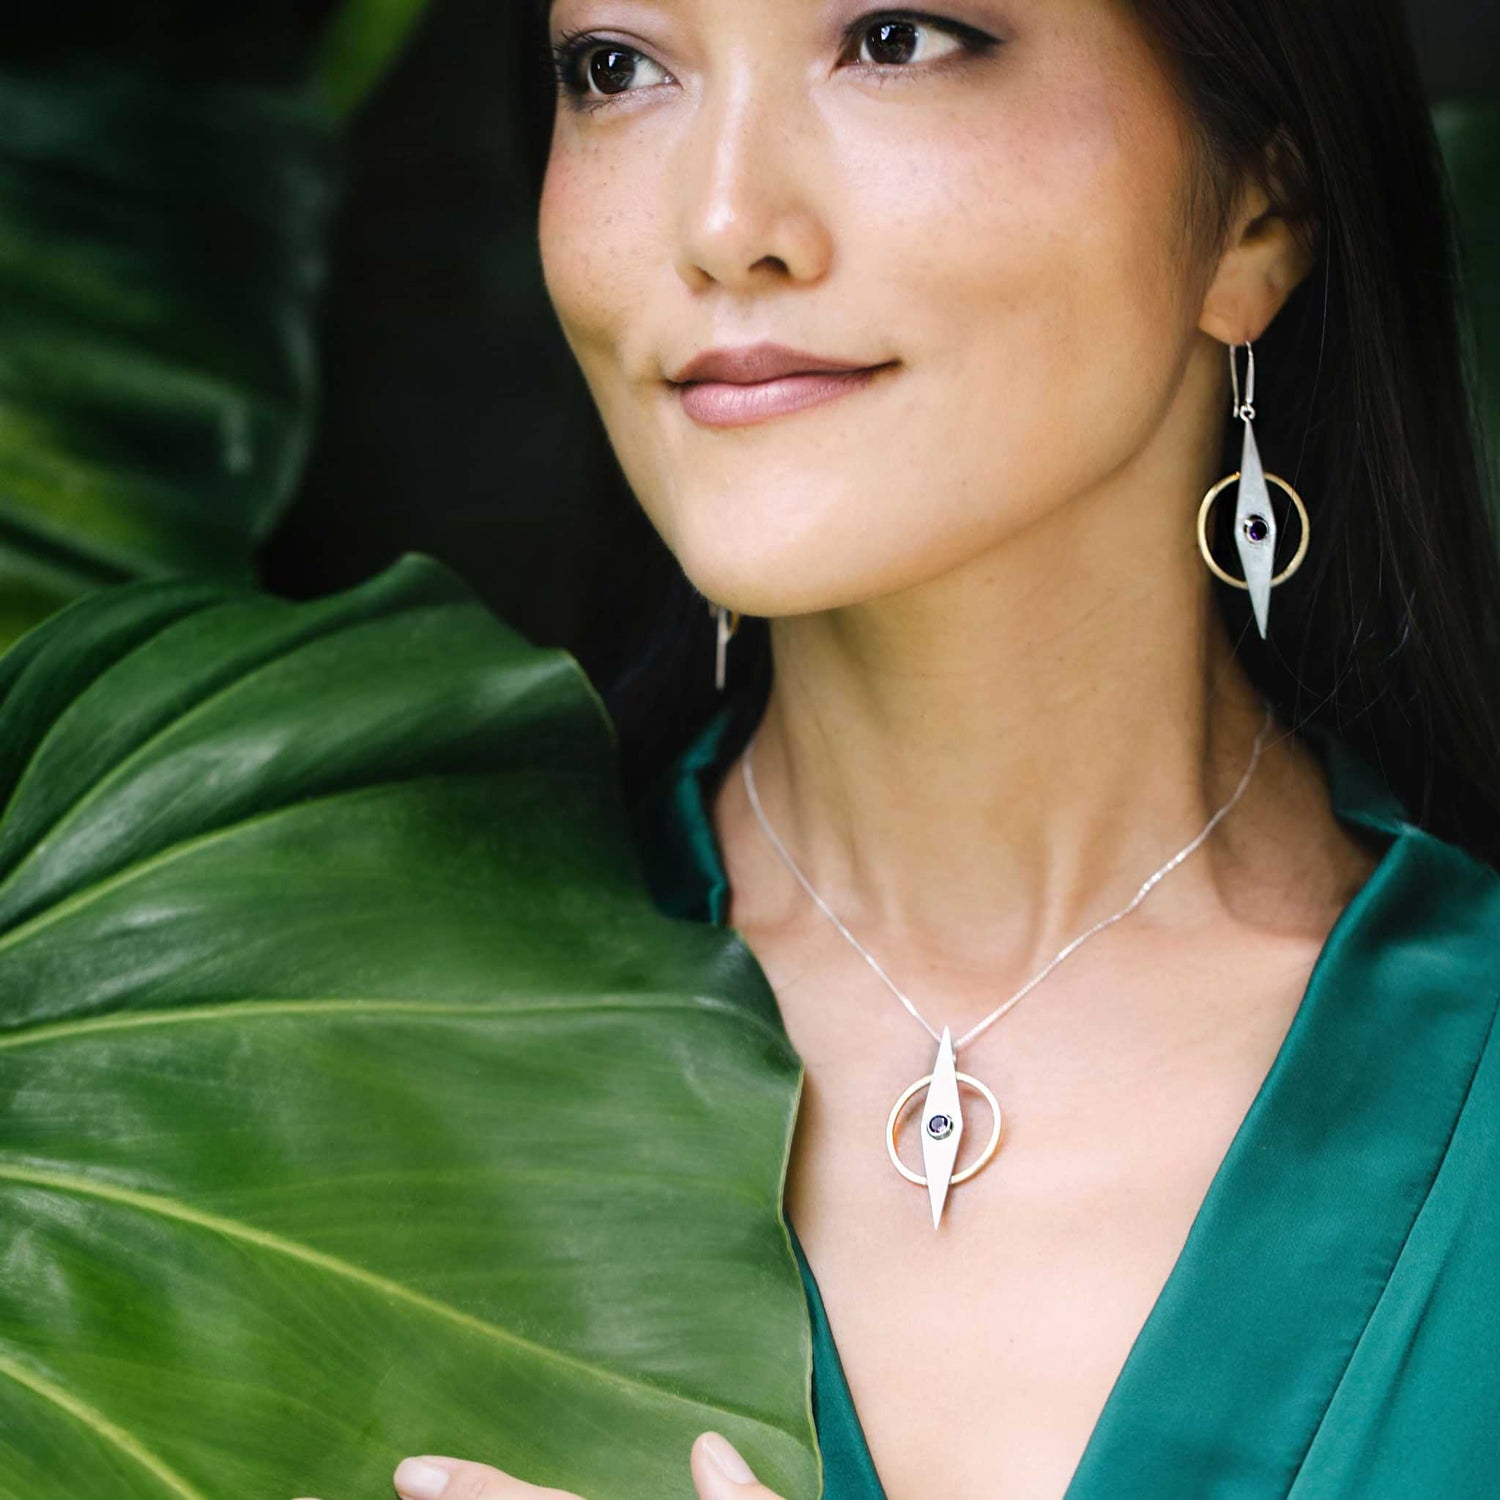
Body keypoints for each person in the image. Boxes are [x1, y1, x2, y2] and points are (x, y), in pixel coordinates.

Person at [310, 1, 1500, 1496]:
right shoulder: (329, 1043)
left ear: (1259, 209)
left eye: (894, 39)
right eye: (615, 68)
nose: (728, 220)